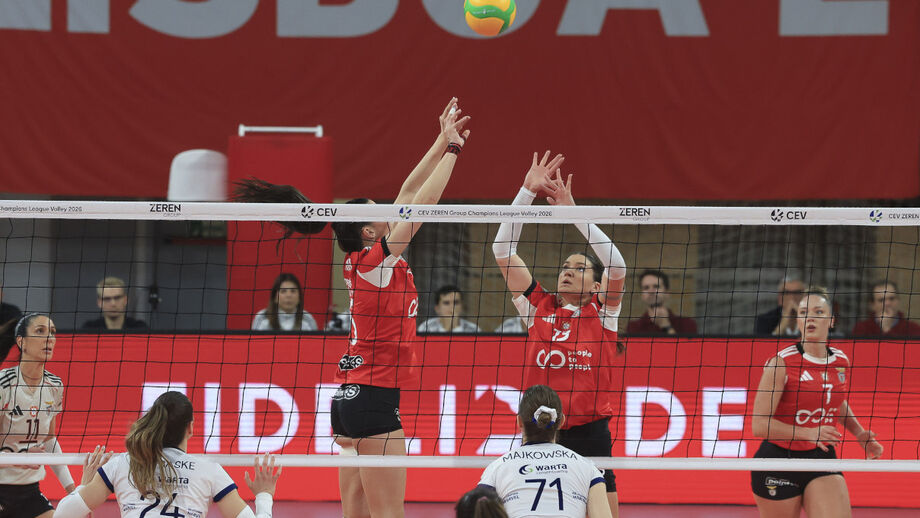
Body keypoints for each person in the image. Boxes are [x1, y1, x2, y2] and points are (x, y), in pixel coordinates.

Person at [233, 97, 470, 518]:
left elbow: (408, 191)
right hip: (374, 401)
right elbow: (420, 206)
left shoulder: (364, 262)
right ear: (368, 229)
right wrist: (454, 151)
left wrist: (439, 141)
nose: (388, 209)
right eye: (379, 212)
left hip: (348, 400)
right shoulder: (376, 262)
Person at [492, 156, 626, 517]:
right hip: (541, 431)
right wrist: (526, 192)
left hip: (590, 434)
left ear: (596, 285)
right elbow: (502, 251)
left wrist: (573, 214)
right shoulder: (539, 306)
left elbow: (618, 266)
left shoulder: (604, 314)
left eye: (579, 268)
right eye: (565, 267)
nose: (568, 272)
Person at [751, 286, 883, 517]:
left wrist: (859, 432)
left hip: (820, 457)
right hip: (779, 460)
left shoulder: (840, 361)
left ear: (831, 320)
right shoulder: (780, 363)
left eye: (818, 312)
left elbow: (834, 400)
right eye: (803, 312)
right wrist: (809, 432)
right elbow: (759, 425)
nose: (810, 317)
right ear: (798, 320)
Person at [53, 391, 282, 518]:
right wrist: (264, 495)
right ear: (190, 428)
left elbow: (63, 515)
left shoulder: (121, 463)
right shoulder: (209, 469)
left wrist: (85, 485)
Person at [478, 385, 613, 518]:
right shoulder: (589, 469)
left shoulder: (497, 468)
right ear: (561, 422)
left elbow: (476, 509)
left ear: (519, 421)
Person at [0, 313, 76, 518]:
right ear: (21, 341)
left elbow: (50, 440)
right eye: (40, 331)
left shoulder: (54, 385)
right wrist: (19, 458)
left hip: (30, 492)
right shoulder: (3, 385)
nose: (49, 338)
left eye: (52, 332)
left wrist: (73, 491)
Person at [625, 270, 697, 335]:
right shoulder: (633, 328)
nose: (651, 291)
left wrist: (666, 326)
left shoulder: (687, 324)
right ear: (642, 295)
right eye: (646, 288)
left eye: (656, 286)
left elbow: (686, 349)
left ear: (667, 292)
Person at [251, 273, 318, 331]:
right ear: (275, 297)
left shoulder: (307, 319)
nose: (288, 295)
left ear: (299, 297)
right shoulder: (262, 317)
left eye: (293, 291)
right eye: (283, 291)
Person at [851, 281, 920, 337]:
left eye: (891, 299)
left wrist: (887, 329)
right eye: (881, 300)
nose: (887, 303)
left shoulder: (913, 329)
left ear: (898, 300)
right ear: (872, 305)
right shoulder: (861, 329)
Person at [81, 277, 147, 331]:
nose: (113, 304)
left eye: (117, 298)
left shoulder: (140, 328)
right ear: (99, 303)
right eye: (107, 299)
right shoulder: (89, 329)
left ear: (125, 300)